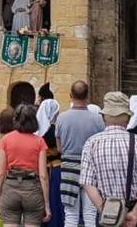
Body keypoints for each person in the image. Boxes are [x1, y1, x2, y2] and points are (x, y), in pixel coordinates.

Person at [80, 91, 137, 227]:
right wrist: (135, 213)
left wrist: (106, 211)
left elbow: (87, 183)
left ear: (104, 116)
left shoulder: (92, 143)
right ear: (128, 117)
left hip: (108, 210)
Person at [55, 81, 104, 227]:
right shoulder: (97, 119)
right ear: (87, 96)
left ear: (70, 95)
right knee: (90, 213)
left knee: (70, 214)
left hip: (69, 167)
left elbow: (59, 147)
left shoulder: (62, 118)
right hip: (91, 168)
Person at [0, 104, 51, 227]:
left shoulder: (5, 140)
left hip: (10, 187)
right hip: (32, 188)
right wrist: (47, 204)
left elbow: (0, 174)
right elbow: (43, 176)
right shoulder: (40, 142)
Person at [36, 98, 64, 227]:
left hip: (40, 169)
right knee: (54, 200)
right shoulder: (55, 129)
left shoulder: (36, 131)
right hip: (55, 169)